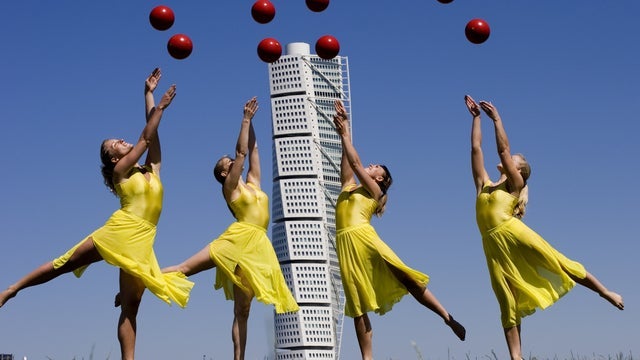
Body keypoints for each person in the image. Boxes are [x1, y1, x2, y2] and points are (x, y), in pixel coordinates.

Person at [0, 68, 193, 360]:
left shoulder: (153, 169)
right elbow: (145, 136)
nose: (122, 141)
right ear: (114, 158)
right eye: (116, 144)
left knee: (131, 307)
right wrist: (161, 106)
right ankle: (12, 290)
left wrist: (149, 94)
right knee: (63, 264)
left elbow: (150, 137)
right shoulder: (120, 172)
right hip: (119, 231)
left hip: (142, 242)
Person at [464, 95, 624, 360]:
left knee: (557, 261)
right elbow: (475, 149)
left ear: (520, 172)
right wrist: (476, 119)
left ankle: (604, 291)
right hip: (491, 245)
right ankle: (516, 356)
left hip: (512, 232)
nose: (508, 157)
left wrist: (497, 120)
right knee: (506, 298)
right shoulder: (483, 184)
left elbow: (502, 150)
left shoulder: (514, 185)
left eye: (514, 159)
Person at [159, 97, 299, 360]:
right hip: (235, 241)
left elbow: (252, 151)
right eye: (228, 164)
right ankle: (143, 279)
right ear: (224, 174)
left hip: (258, 246)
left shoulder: (253, 184)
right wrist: (244, 120)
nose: (234, 164)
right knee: (184, 268)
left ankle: (238, 358)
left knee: (243, 310)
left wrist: (252, 123)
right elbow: (242, 153)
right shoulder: (230, 188)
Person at [332, 99, 466, 360]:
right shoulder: (348, 188)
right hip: (345, 246)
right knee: (357, 307)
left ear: (380, 179)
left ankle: (447, 317)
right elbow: (349, 163)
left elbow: (358, 165)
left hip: (365, 239)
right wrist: (343, 131)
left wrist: (347, 133)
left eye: (375, 168)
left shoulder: (375, 192)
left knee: (407, 278)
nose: (370, 166)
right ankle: (367, 358)